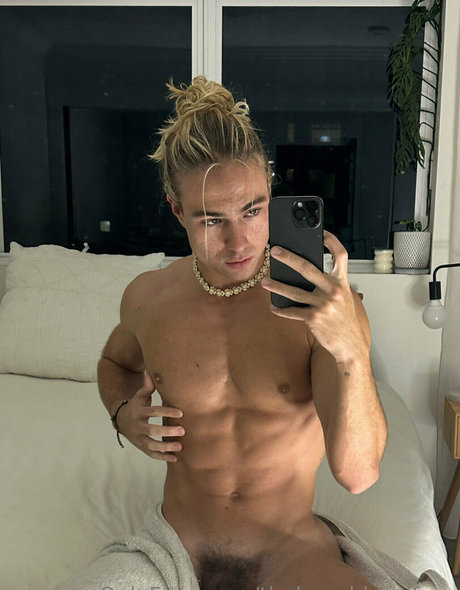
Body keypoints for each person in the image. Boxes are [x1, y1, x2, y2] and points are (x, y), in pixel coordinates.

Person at [71, 77, 388, 589]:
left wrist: (352, 348)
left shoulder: (323, 309)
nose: (239, 241)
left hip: (289, 550)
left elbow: (359, 474)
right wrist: (122, 414)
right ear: (178, 211)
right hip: (175, 546)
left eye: (252, 211)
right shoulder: (148, 298)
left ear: (270, 194)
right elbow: (116, 363)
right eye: (212, 220)